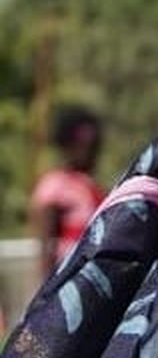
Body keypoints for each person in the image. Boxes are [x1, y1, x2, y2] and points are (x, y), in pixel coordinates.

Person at [27, 105, 106, 285]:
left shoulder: (92, 186)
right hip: (67, 281)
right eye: (83, 146)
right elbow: (47, 246)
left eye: (94, 147)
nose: (90, 153)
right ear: (67, 145)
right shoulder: (54, 185)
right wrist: (48, 289)